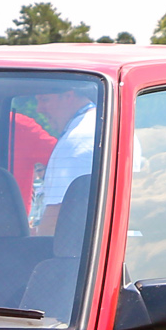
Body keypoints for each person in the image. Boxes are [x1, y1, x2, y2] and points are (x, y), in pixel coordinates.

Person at [34, 82, 99, 236]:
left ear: (69, 96)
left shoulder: (76, 141)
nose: (39, 109)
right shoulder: (103, 126)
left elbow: (56, 219)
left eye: (44, 100)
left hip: (75, 256)